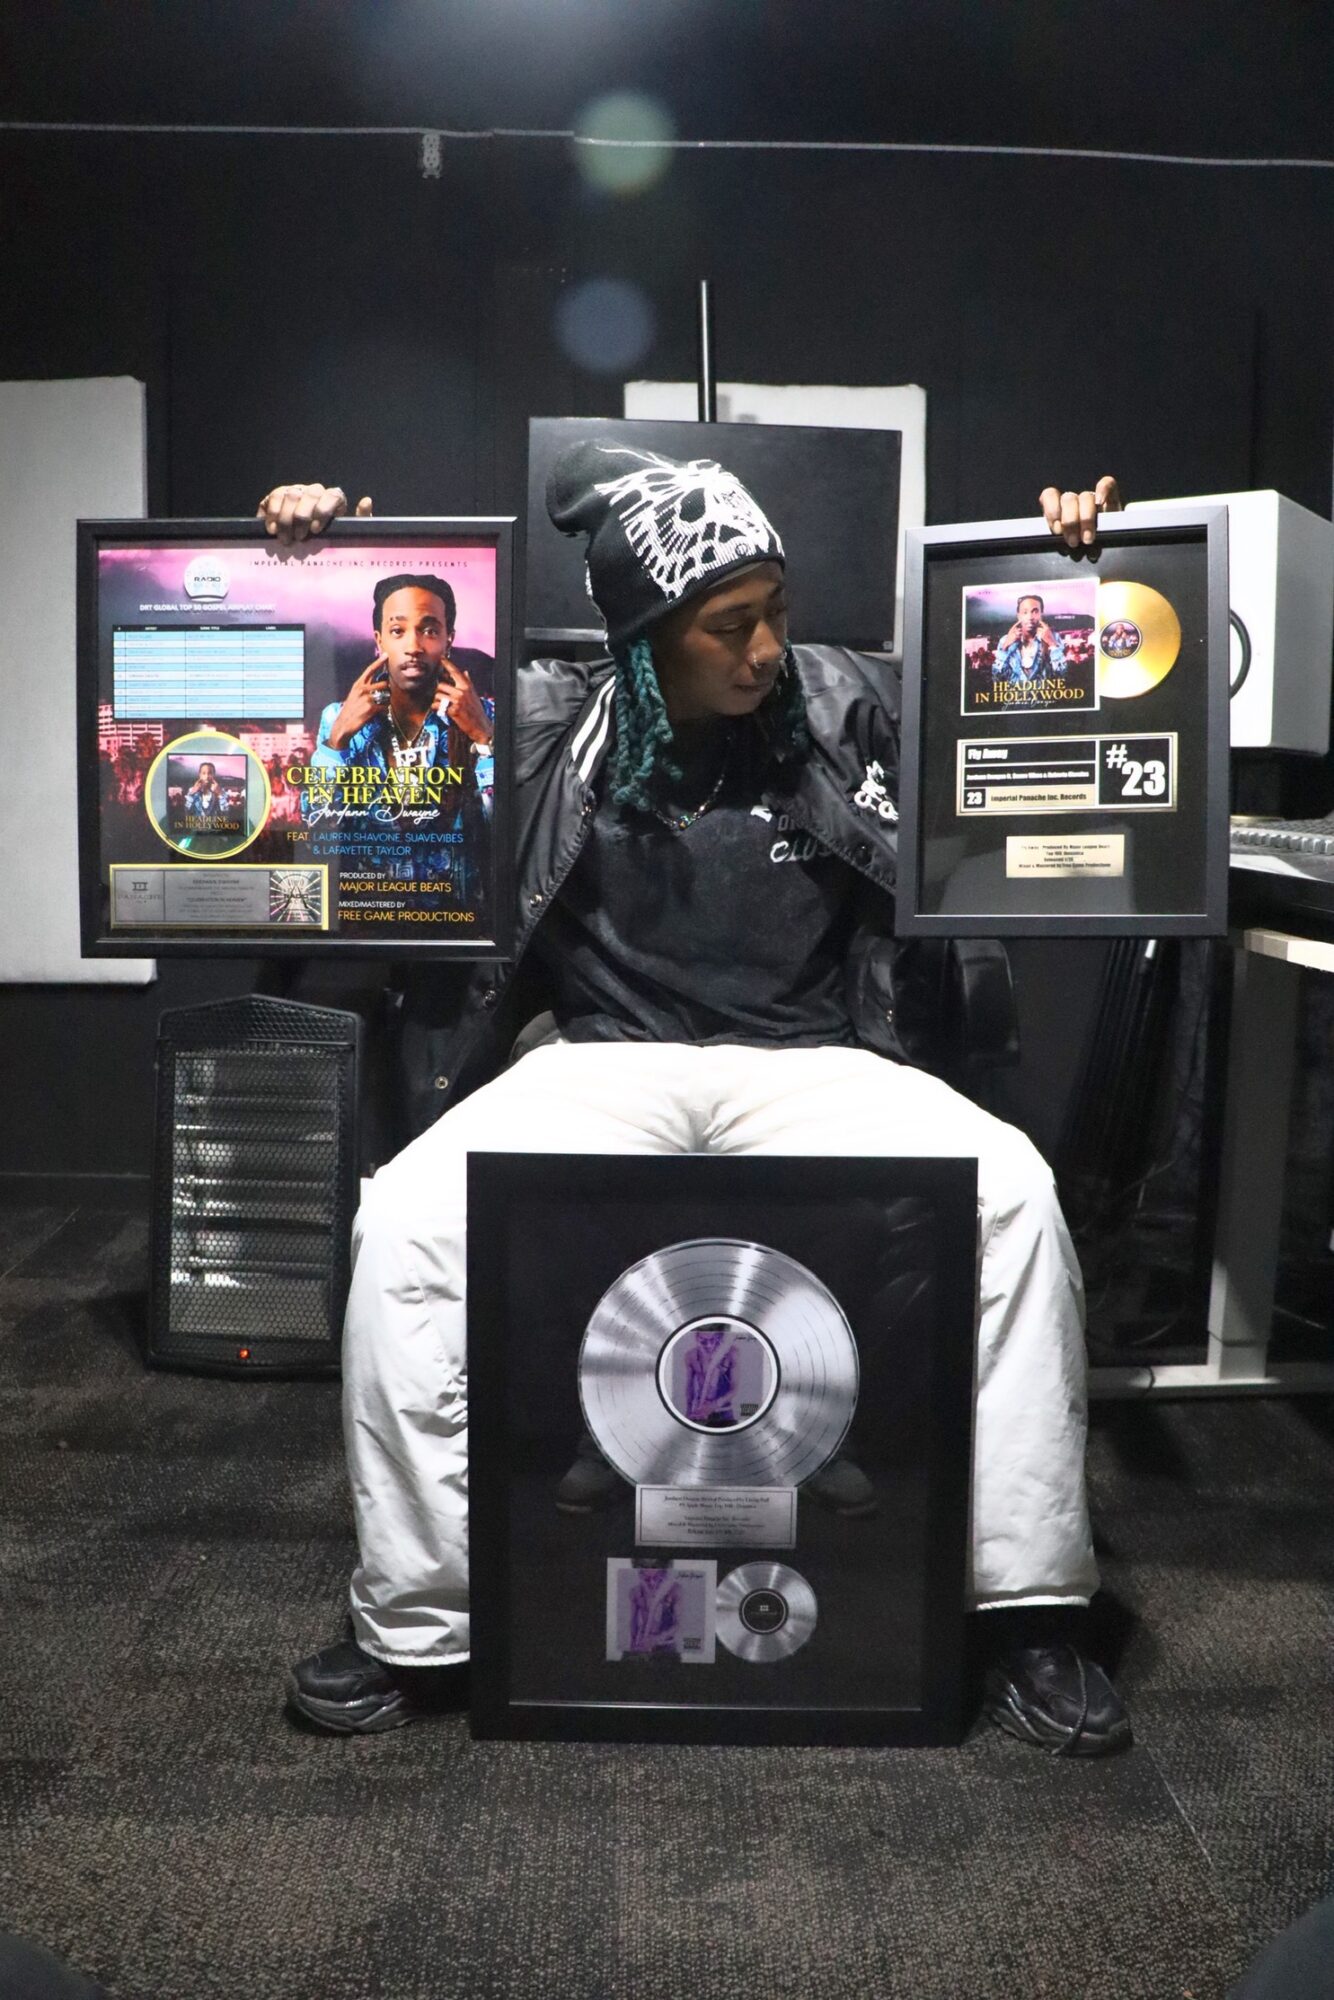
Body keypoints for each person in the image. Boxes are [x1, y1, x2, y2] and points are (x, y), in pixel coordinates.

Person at [263, 460, 1131, 1755]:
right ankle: (419, 1615)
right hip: (605, 1059)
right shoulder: (557, 716)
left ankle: (1023, 1613)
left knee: (1010, 1193)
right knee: (405, 1224)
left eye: (775, 608)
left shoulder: (850, 705)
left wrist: (1072, 563)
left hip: (816, 1062)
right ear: (644, 635)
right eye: (730, 625)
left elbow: (1033, 707)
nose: (767, 647)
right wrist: (319, 549)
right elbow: (392, 688)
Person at [310, 573, 493, 910]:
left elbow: (506, 830)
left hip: (456, 922)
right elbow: (314, 822)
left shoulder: (483, 716)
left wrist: (484, 739)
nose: (413, 646)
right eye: (398, 631)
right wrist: (336, 742)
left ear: (448, 640)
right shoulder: (338, 717)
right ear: (379, 641)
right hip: (366, 918)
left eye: (430, 630)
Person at [993, 593, 1067, 686]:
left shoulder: (1054, 638)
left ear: (1041, 614)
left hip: (1045, 699)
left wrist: (1052, 644)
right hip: (1014, 698)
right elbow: (997, 678)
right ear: (1018, 616)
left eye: (1035, 611)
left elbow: (1063, 677)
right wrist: (1006, 646)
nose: (1030, 617)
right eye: (1025, 612)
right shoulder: (1005, 640)